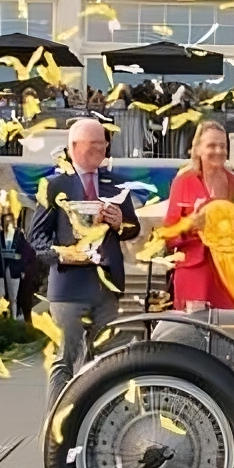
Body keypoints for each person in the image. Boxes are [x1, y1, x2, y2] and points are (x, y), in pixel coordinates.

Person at [30, 118, 140, 404]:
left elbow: (133, 229)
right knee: (68, 357)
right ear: (74, 147)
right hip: (69, 287)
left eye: (103, 144)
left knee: (106, 360)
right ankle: (57, 430)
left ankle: (95, 423)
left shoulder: (116, 184)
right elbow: (36, 238)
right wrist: (62, 254)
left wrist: (120, 223)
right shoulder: (54, 185)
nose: (100, 150)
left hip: (107, 286)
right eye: (93, 145)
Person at [160, 121, 234, 310]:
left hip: (229, 274)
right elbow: (168, 236)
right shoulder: (183, 182)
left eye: (223, 146)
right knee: (192, 334)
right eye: (212, 145)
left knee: (228, 333)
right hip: (193, 272)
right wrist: (190, 225)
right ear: (198, 149)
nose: (219, 151)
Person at [0, 210, 30, 319]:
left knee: (13, 298)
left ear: (13, 222)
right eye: (5, 222)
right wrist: (0, 254)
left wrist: (18, 259)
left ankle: (14, 319)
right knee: (0, 297)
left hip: (14, 270)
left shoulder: (18, 236)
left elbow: (25, 253)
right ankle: (1, 319)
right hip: (1, 270)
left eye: (9, 222)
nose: (7, 224)